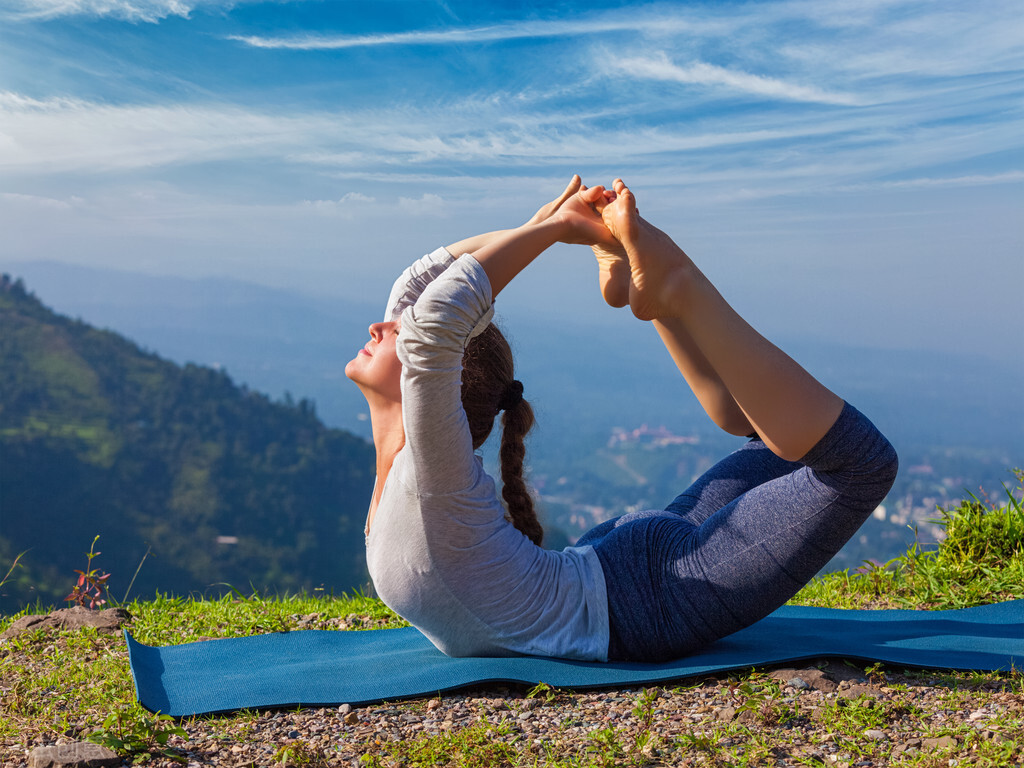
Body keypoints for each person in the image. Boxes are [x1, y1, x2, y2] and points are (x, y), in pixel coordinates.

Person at [345, 176, 898, 663]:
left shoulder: (430, 469)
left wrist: (548, 228)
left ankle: (674, 289)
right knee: (807, 446)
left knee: (854, 461)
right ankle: (660, 299)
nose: (381, 324)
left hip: (645, 593)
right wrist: (550, 228)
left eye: (398, 329)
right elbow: (425, 306)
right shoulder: (428, 469)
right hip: (631, 579)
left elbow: (426, 307)